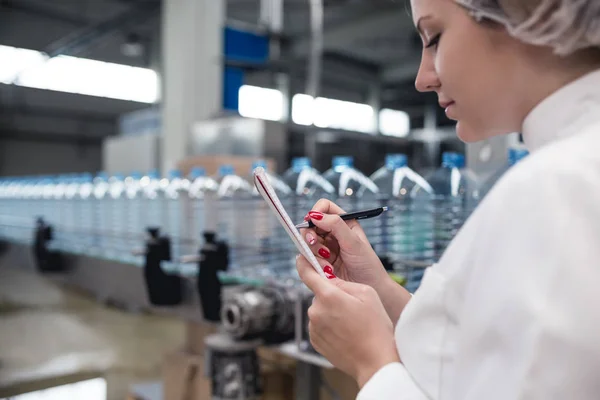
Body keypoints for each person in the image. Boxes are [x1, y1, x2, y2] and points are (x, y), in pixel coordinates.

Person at [295, 0, 600, 398]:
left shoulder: (559, 185)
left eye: (435, 38)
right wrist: (381, 291)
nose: (423, 78)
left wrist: (370, 362)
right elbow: (482, 352)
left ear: (520, 14)